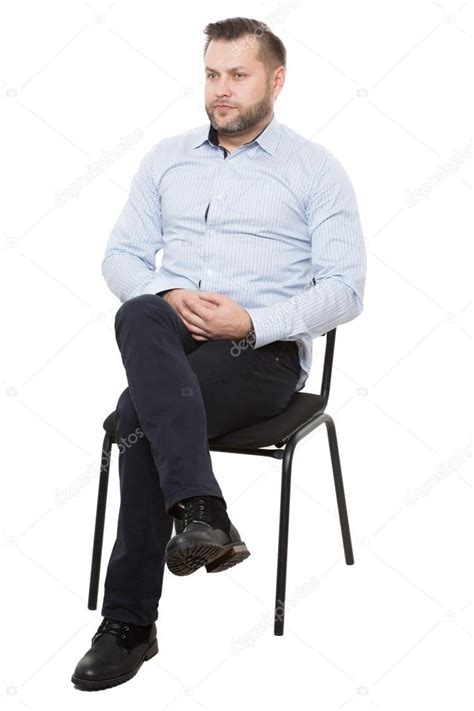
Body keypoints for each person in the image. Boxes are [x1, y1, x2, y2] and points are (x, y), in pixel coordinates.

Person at [71, 16, 366, 691]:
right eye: (212, 74)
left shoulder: (315, 170)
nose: (221, 89)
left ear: (276, 79)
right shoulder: (167, 159)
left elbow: (346, 290)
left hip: (263, 354)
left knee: (134, 419)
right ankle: (201, 510)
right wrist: (171, 291)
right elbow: (120, 257)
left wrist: (252, 320)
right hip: (168, 339)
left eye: (238, 74)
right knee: (141, 308)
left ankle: (128, 622)